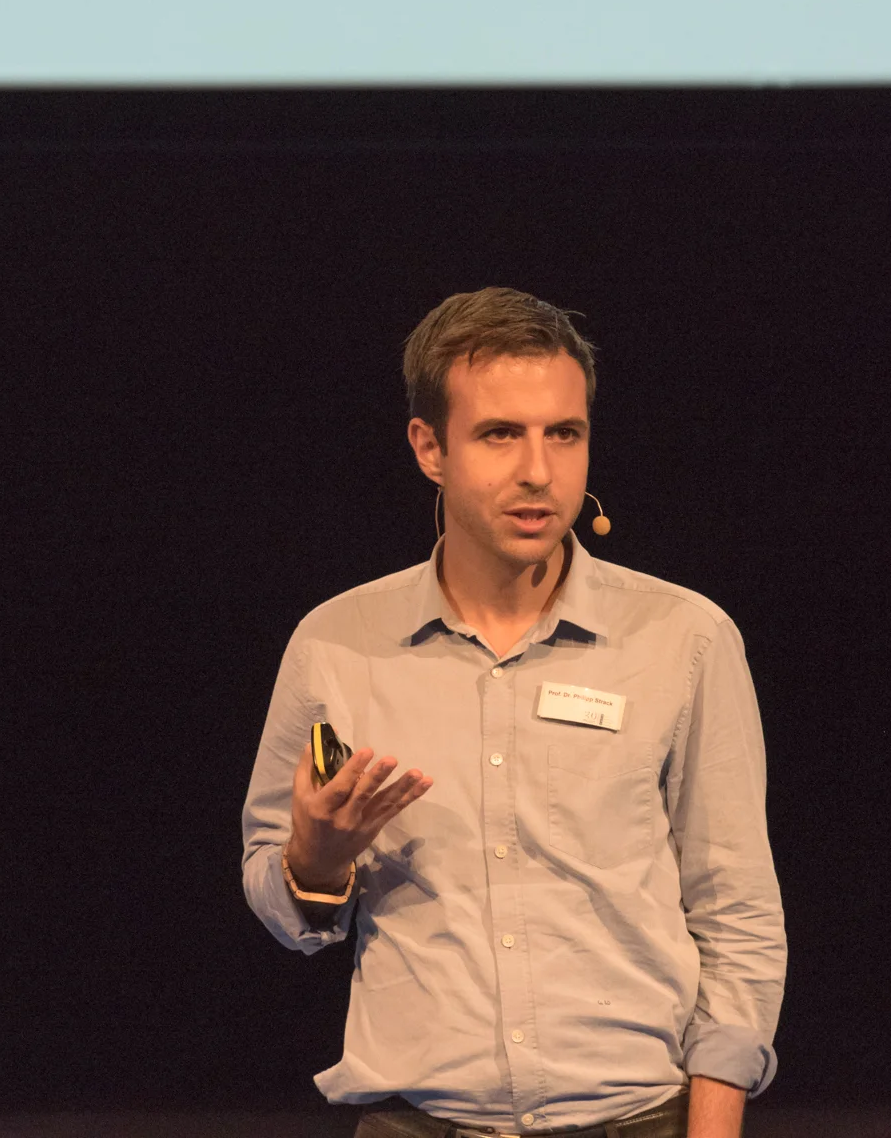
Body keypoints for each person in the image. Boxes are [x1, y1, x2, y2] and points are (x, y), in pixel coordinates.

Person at [240, 288, 785, 1138]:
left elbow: (737, 911)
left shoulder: (684, 638)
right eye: (500, 433)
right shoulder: (337, 643)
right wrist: (318, 858)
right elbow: (281, 902)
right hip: (415, 1121)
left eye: (563, 433)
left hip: (634, 1119)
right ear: (430, 446)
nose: (539, 469)